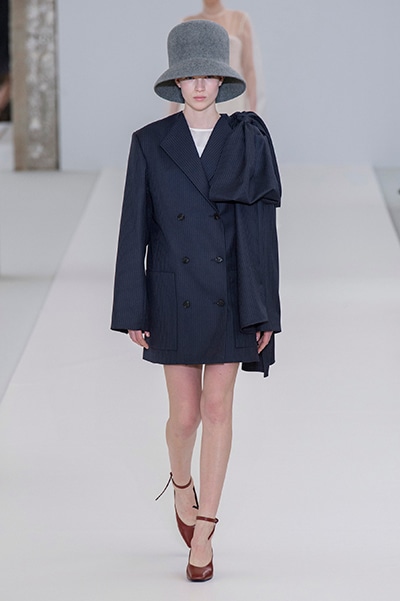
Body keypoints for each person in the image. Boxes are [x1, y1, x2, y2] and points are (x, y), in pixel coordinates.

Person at [111, 19, 281, 582]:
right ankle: (181, 485)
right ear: (176, 82)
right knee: (184, 416)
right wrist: (132, 307)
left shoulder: (247, 139)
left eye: (209, 74)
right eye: (190, 76)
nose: (201, 85)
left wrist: (266, 307)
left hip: (232, 293)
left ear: (223, 80)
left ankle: (205, 528)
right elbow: (133, 229)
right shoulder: (149, 143)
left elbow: (261, 233)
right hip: (174, 294)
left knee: (217, 410)